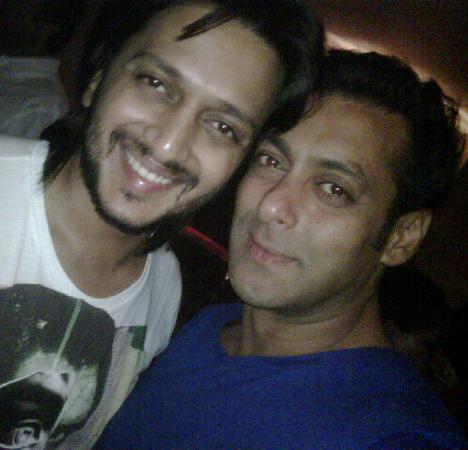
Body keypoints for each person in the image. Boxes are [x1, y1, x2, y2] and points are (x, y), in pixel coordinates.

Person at [97, 50, 467, 448]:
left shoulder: (391, 434)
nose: (271, 206)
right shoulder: (210, 328)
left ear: (401, 236)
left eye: (333, 189)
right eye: (271, 160)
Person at [0, 0, 323, 447]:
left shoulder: (164, 288)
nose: (170, 145)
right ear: (97, 78)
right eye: (155, 83)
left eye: (223, 127)